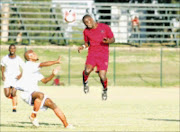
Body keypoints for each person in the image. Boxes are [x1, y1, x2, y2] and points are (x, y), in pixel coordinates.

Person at [16, 50, 73, 128]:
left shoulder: (35, 70)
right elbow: (43, 64)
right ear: (30, 57)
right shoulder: (29, 65)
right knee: (40, 95)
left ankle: (66, 125)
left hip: (35, 93)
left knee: (52, 104)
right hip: (27, 94)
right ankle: (33, 115)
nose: (36, 54)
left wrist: (53, 74)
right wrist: (55, 61)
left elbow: (45, 81)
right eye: (33, 54)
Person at [78, 14, 115, 100]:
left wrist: (108, 41)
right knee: (87, 70)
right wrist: (83, 47)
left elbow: (113, 39)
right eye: (85, 23)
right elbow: (87, 43)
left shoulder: (104, 27)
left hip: (103, 55)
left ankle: (105, 89)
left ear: (91, 19)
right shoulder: (86, 31)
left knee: (102, 76)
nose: (87, 24)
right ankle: (85, 82)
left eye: (87, 22)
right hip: (92, 54)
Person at [1, 44, 24, 112]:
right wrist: (2, 75)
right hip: (7, 77)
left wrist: (21, 75)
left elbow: (24, 68)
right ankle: (15, 99)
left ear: (15, 49)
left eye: (14, 48)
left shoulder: (18, 58)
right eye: (11, 48)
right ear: (9, 49)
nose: (12, 50)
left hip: (15, 78)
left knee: (13, 92)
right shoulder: (5, 58)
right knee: (7, 94)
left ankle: (14, 108)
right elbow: (2, 66)